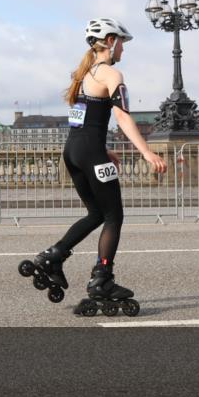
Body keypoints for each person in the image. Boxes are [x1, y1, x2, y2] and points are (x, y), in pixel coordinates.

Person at [28, 18, 168, 312]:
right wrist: (146, 152)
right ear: (110, 41)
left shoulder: (83, 75)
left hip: (74, 152)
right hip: (90, 154)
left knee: (95, 213)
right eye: (122, 44)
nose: (123, 50)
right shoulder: (111, 73)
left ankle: (53, 256)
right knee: (114, 216)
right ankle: (101, 279)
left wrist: (102, 148)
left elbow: (83, 122)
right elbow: (122, 117)